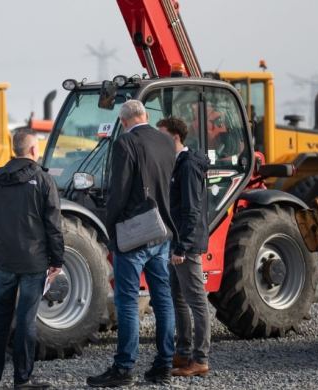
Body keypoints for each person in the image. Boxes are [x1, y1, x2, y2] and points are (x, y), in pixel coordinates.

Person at [88, 100, 177, 387]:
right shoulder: (165, 142)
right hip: (162, 230)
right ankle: (164, 364)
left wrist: (111, 226)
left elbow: (119, 190)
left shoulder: (125, 143)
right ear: (145, 116)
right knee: (163, 298)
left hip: (134, 233)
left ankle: (124, 368)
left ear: (123, 120)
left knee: (127, 300)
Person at [0, 130, 64, 390]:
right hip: (34, 263)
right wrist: (56, 259)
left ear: (14, 149)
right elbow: (53, 225)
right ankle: (22, 380)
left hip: (3, 261)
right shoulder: (44, 180)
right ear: (34, 150)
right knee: (26, 320)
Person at [157, 117, 211, 377]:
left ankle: (200, 359)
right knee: (178, 298)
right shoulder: (177, 163)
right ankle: (184, 352)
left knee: (196, 301)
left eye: (162, 135)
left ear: (176, 137)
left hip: (185, 245)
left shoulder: (188, 166)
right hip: (177, 241)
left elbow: (191, 210)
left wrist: (182, 247)